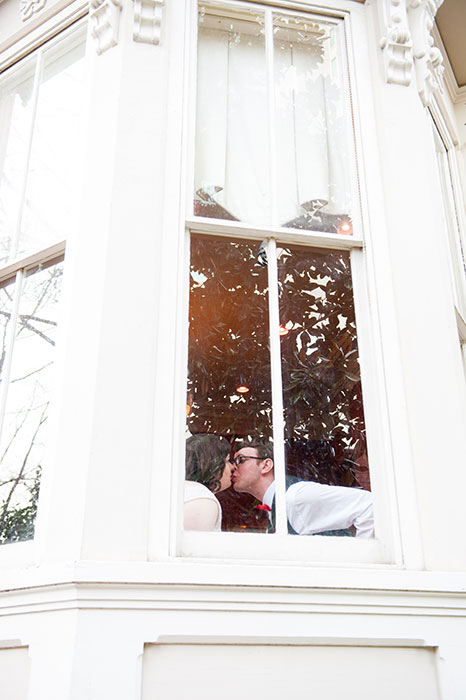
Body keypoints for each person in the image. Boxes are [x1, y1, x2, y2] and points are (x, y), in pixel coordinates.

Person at [231, 439, 374, 537]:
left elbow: (368, 504)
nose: (233, 467)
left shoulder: (296, 497)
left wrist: (363, 568)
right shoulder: (277, 504)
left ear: (266, 465)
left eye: (241, 460)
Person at [184, 434, 233, 531]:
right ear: (213, 464)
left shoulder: (189, 491)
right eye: (227, 461)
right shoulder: (201, 498)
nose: (232, 467)